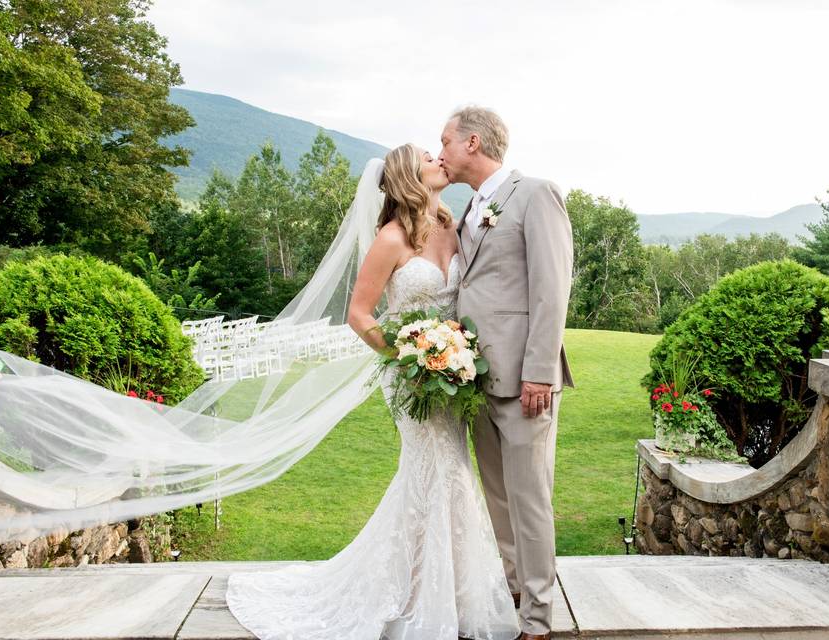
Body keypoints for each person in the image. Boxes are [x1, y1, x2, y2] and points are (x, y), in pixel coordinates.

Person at [225, 143, 520, 640]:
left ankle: (442, 588)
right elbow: (359, 316)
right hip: (412, 378)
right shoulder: (391, 238)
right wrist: (412, 357)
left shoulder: (453, 223)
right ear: (410, 175)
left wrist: (452, 355)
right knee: (437, 473)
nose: (439, 159)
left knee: (453, 475)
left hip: (454, 374)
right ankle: (416, 596)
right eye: (430, 156)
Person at [439, 106, 574, 640]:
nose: (441, 150)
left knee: (530, 500)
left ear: (473, 142)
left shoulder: (535, 194)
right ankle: (516, 590)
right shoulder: (469, 208)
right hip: (477, 378)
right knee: (498, 496)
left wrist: (539, 370)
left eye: (445, 140)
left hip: (525, 382)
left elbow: (551, 286)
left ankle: (538, 622)